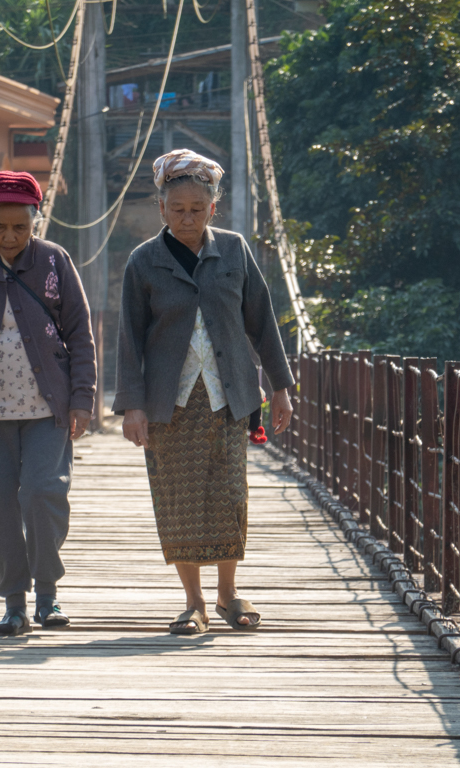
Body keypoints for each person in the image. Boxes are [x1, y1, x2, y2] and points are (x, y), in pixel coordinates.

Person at [114, 149, 294, 635]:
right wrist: (131, 407)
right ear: (161, 210)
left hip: (231, 397)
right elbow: (129, 339)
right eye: (178, 210)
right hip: (167, 403)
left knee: (230, 496)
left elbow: (261, 321)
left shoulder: (234, 251)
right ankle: (192, 601)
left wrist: (281, 387)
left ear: (214, 209)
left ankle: (228, 594)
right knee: (179, 499)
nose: (188, 217)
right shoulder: (143, 262)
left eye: (198, 209)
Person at [0, 171, 96, 636]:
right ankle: (13, 603)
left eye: (20, 228)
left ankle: (47, 594)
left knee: (44, 492)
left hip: (49, 409)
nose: (9, 237)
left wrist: (82, 399)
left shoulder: (54, 263)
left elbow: (80, 336)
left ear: (35, 223)